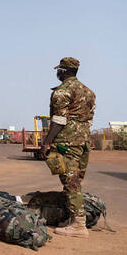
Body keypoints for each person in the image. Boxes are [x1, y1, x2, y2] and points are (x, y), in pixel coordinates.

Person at [41, 57, 95, 238]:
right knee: (76, 181)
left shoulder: (62, 92)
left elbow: (59, 120)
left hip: (67, 142)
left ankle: (79, 225)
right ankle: (74, 219)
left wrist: (47, 142)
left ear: (64, 71)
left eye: (59, 70)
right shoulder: (88, 92)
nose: (57, 73)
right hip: (84, 141)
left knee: (70, 182)